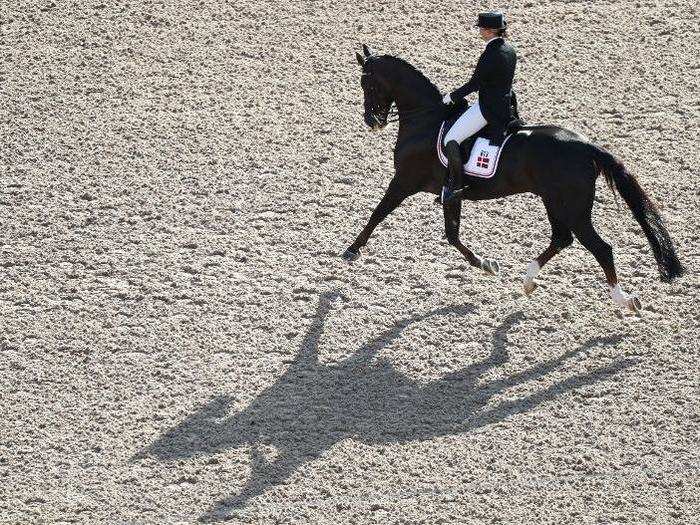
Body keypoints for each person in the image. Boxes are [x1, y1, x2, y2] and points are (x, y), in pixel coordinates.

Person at [441, 11, 518, 203]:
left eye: (482, 28)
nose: (480, 31)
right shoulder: (510, 49)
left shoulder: (491, 53)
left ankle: (455, 186)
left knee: (451, 138)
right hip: (506, 105)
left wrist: (452, 96)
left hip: (488, 108)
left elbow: (475, 83)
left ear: (490, 30)